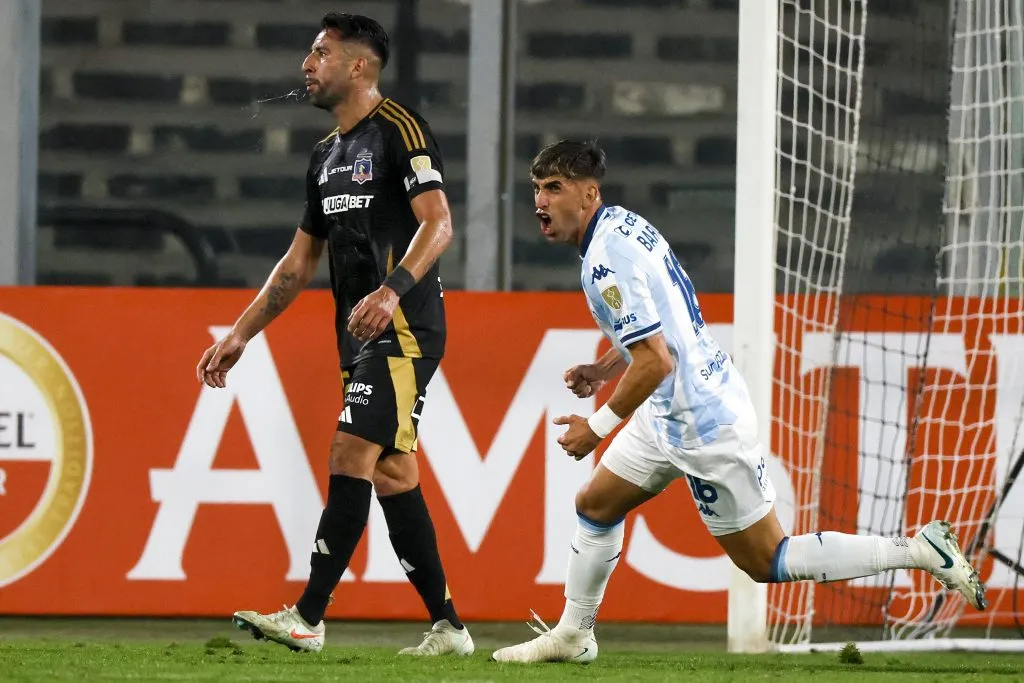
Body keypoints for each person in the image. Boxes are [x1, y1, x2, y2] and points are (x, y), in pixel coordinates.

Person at [491, 140, 987, 664]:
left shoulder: (603, 262)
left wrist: (596, 426)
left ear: (589, 193)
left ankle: (916, 550)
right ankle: (574, 635)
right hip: (669, 409)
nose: (541, 202)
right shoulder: (621, 224)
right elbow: (663, 325)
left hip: (702, 422)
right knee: (596, 504)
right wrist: (604, 367)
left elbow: (657, 361)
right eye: (537, 190)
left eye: (554, 189)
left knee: (767, 559)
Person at [195, 13, 472, 656]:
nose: (305, 64)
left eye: (319, 53)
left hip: (403, 325)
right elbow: (298, 264)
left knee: (350, 451)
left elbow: (439, 225)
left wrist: (389, 290)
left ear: (358, 66)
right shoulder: (325, 156)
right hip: (359, 336)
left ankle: (309, 616)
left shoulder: (401, 130)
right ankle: (449, 628)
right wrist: (241, 334)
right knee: (393, 472)